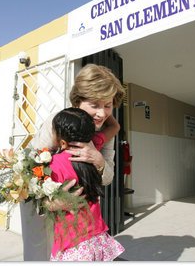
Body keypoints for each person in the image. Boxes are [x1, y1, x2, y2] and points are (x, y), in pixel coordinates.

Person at [20, 63, 125, 261]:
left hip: (81, 220)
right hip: (45, 210)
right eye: (94, 105)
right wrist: (51, 202)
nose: (102, 114)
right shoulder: (59, 123)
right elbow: (28, 168)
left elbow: (107, 178)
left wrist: (99, 160)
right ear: (77, 101)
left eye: (108, 105)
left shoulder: (104, 134)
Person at [46, 107, 124, 261]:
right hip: (97, 238)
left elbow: (41, 199)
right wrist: (106, 111)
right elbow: (115, 127)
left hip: (72, 245)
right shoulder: (94, 152)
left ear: (62, 142)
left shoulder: (53, 165)